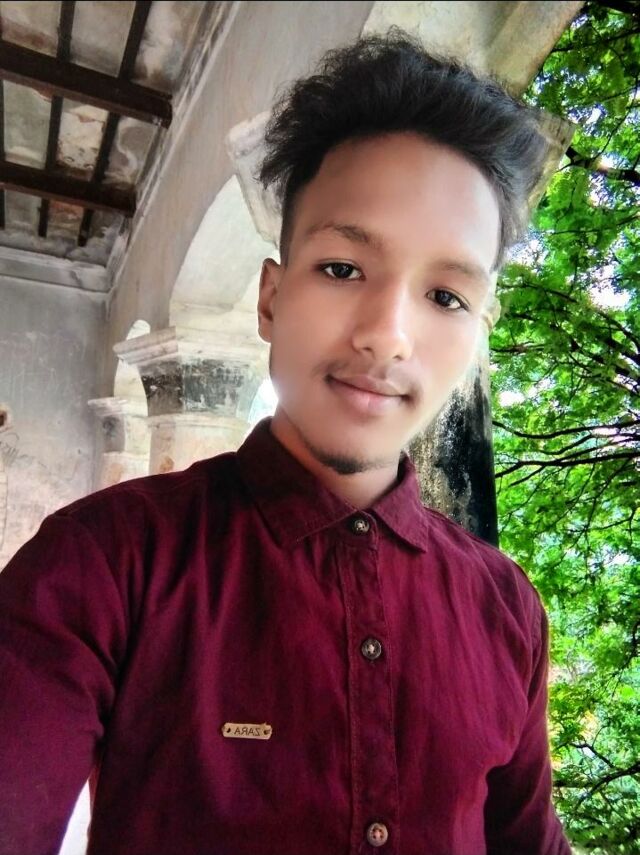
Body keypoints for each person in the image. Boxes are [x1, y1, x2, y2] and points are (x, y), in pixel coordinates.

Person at [0, 31, 571, 855]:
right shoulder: (104, 562)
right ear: (270, 298)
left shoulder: (506, 607)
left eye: (446, 295)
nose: (386, 335)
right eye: (342, 268)